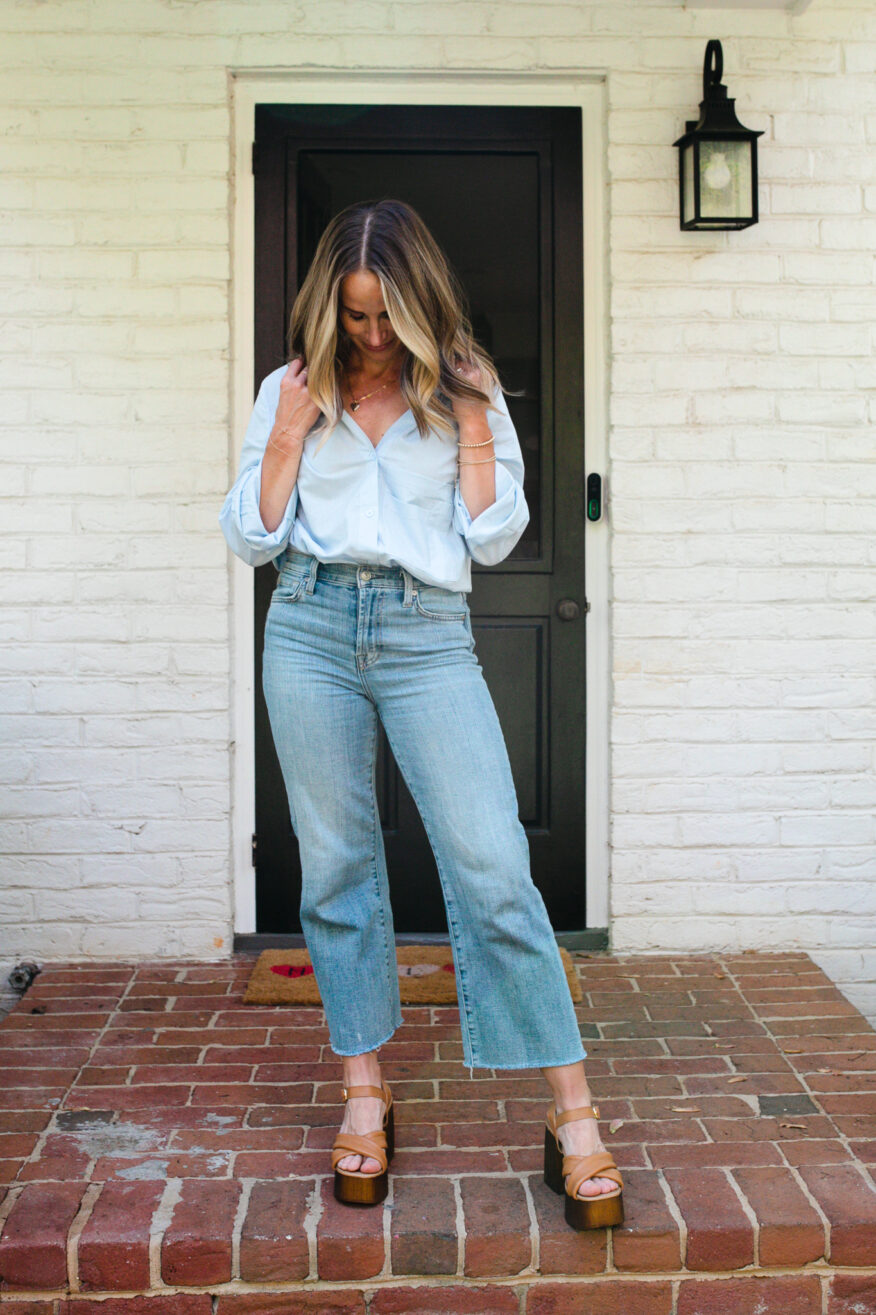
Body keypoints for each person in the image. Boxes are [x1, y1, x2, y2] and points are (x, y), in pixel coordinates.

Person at [219, 199, 623, 1229]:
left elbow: (492, 540)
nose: (369, 336)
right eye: (354, 316)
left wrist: (481, 416)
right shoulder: (290, 389)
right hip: (307, 622)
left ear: (420, 302)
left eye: (385, 316)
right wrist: (290, 439)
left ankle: (571, 1112)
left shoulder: (463, 390)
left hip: (424, 630)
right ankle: (366, 1087)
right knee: (339, 864)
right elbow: (252, 537)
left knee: (491, 860)